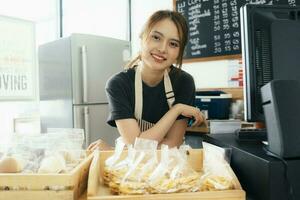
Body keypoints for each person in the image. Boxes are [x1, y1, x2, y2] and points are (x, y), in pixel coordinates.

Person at [88, 10, 205, 152]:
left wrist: (134, 145)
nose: (162, 48)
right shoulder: (119, 84)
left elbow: (173, 144)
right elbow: (137, 147)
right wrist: (176, 110)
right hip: (131, 166)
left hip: (168, 166)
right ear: (142, 37)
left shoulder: (183, 82)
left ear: (179, 52)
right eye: (156, 37)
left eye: (173, 44)